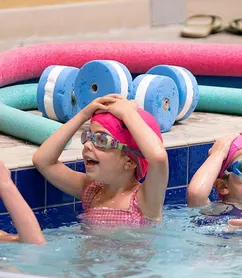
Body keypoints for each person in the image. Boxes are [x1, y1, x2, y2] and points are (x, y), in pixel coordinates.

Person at [33, 94, 168, 227]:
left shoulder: (144, 201)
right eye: (88, 136)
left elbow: (158, 157)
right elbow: (43, 161)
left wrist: (128, 113)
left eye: (102, 141)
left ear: (130, 162)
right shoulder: (92, 191)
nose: (87, 145)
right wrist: (83, 115)